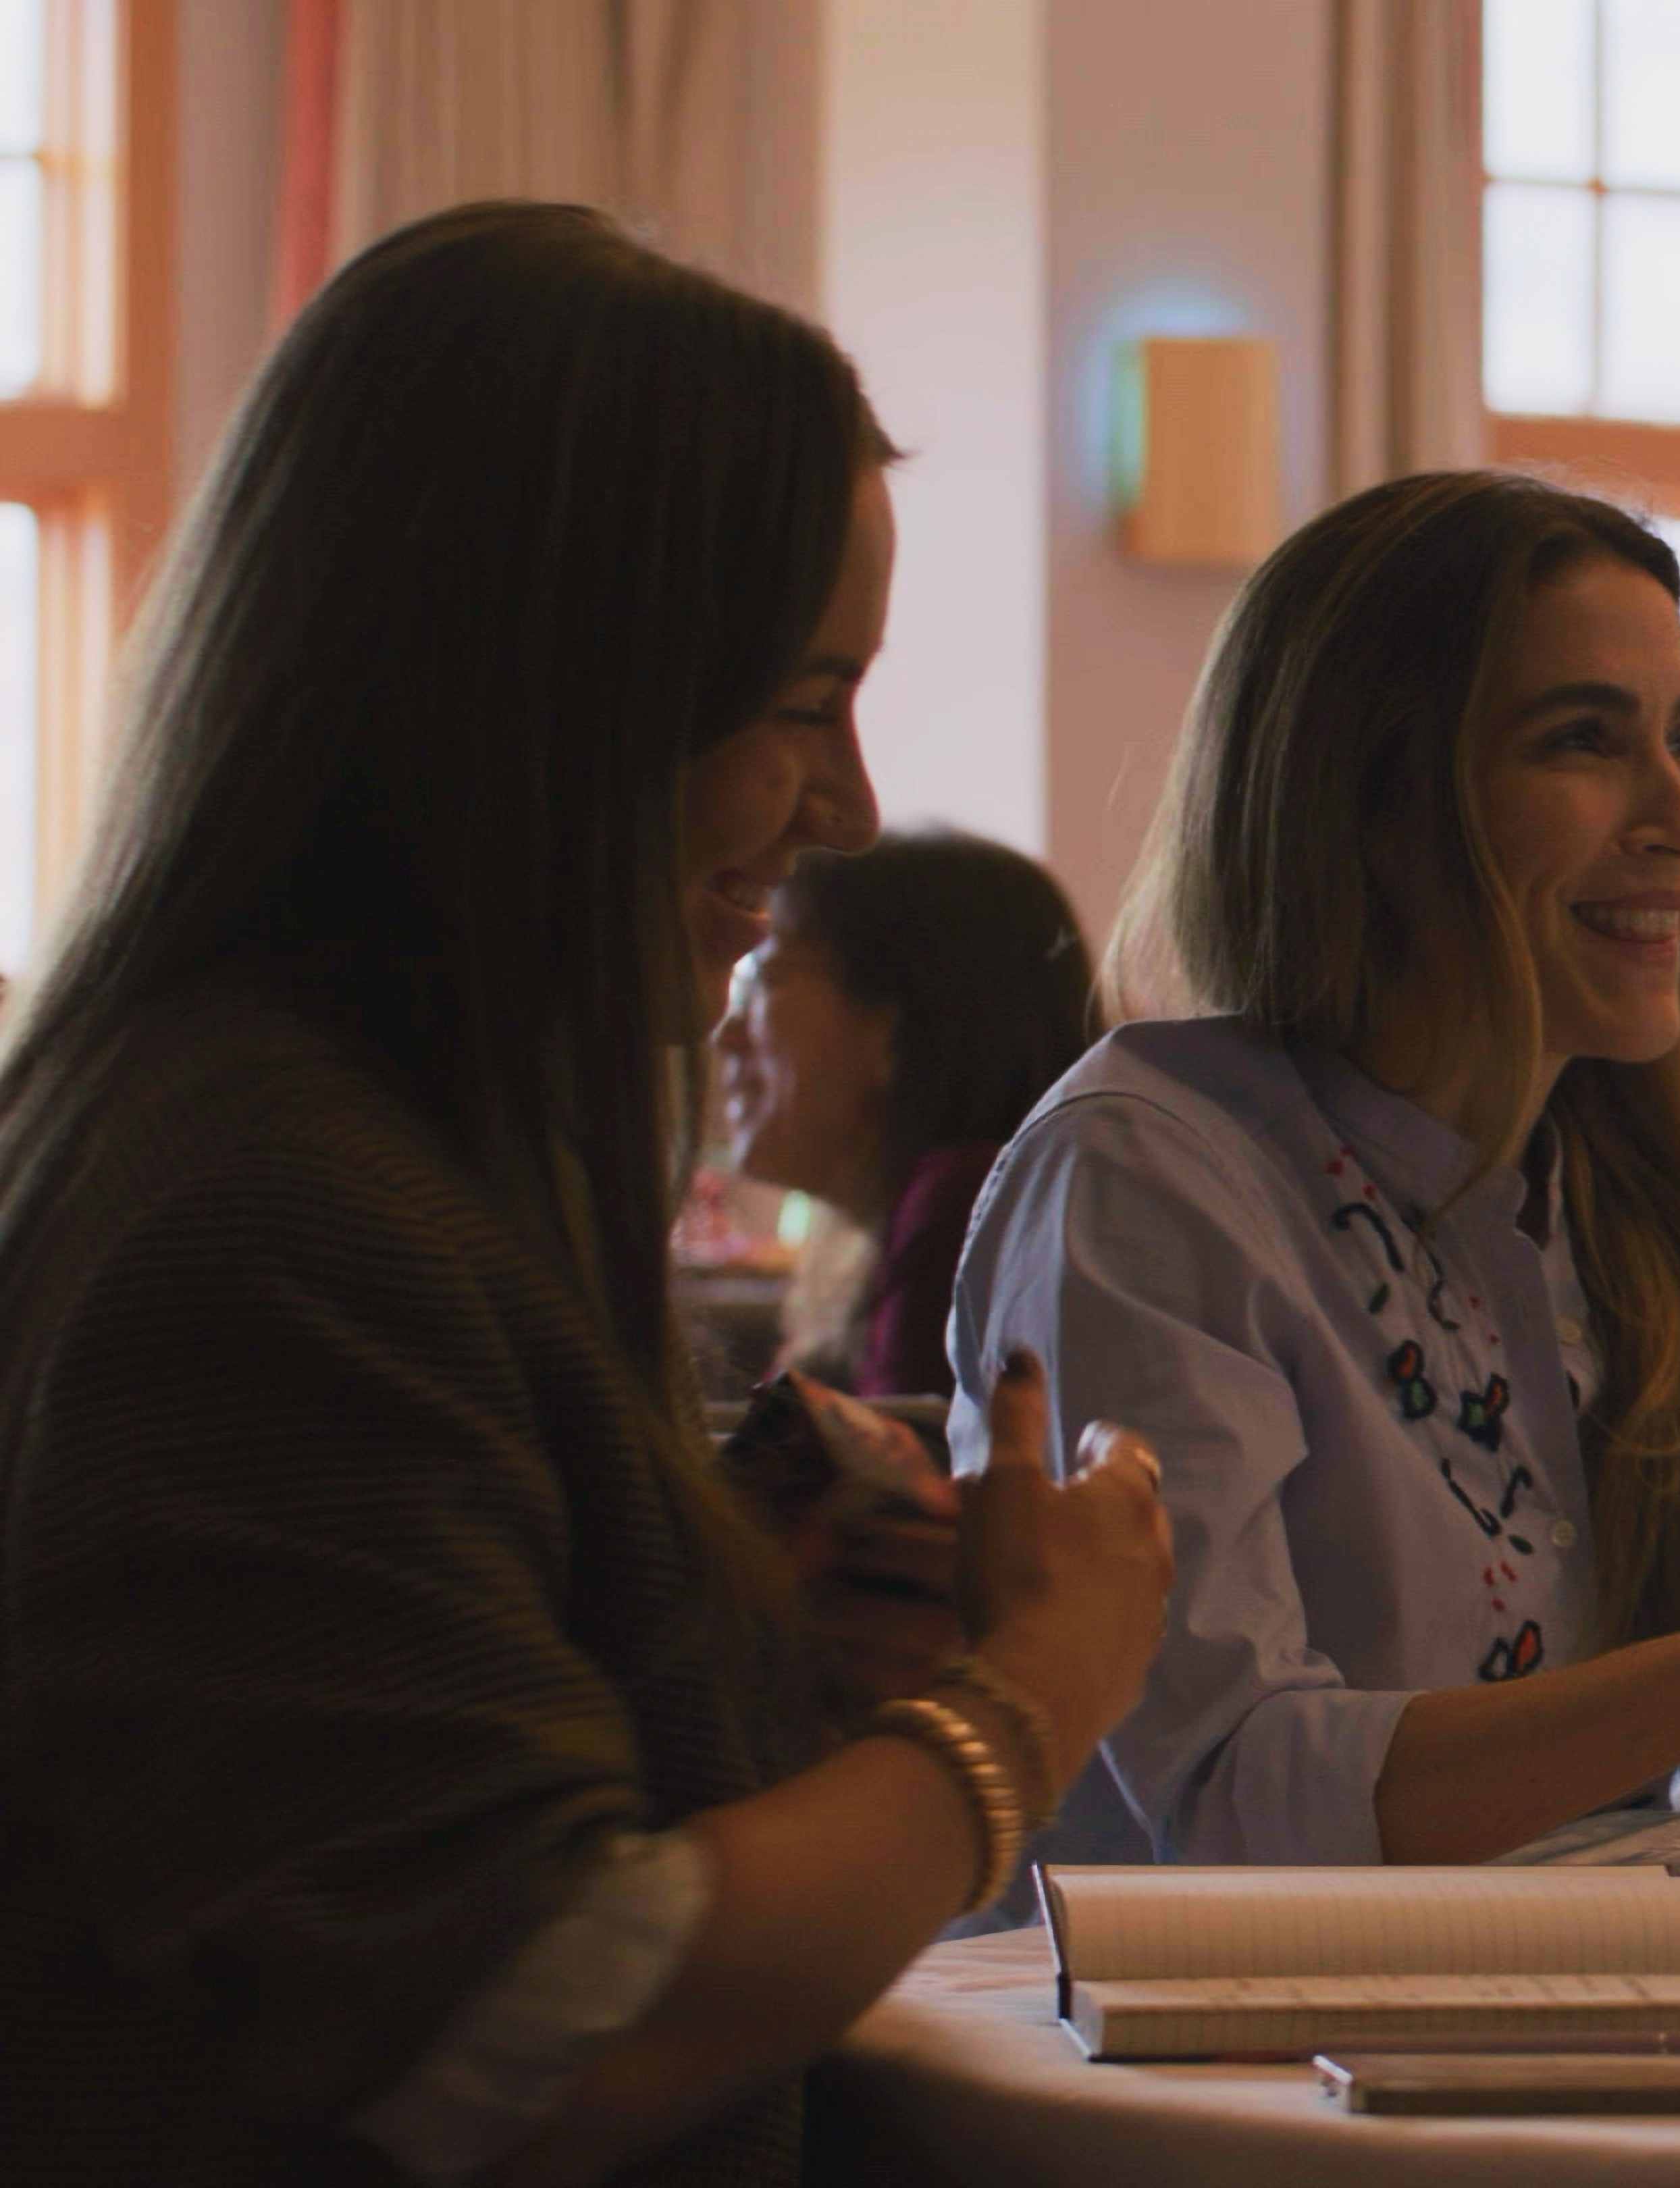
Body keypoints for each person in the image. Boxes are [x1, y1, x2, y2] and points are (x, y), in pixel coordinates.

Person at [0, 204, 1167, 2185]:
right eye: (805, 702)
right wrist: (1026, 1699)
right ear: (546, 694)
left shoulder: (368, 1139)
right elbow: (531, 2033)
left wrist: (738, 1638)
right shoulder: (278, 1215)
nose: (853, 806)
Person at [945, 471, 1680, 1944]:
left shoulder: (1629, 1201)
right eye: (1581, 744)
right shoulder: (1148, 1176)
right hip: (1183, 2101)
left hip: (1560, 2043)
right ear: (1371, 804)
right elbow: (1227, 1806)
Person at [713, 830, 1102, 1399]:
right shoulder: (908, 1218)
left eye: (764, 981)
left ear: (898, 1024)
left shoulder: (965, 1207)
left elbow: (904, 1486)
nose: (727, 1035)